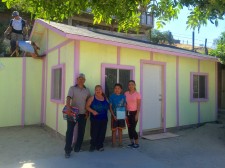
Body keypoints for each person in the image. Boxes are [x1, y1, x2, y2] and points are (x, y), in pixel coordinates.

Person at [64, 73, 91, 158]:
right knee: (69, 132)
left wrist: (88, 112)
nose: (81, 80)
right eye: (79, 78)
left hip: (83, 114)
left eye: (83, 78)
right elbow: (68, 98)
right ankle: (67, 150)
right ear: (77, 79)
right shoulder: (72, 88)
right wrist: (68, 108)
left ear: (84, 80)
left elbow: (88, 101)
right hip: (72, 113)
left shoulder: (87, 90)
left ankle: (77, 148)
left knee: (81, 132)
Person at [86, 85, 109, 152]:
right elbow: (87, 106)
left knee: (102, 133)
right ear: (95, 91)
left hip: (104, 119)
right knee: (94, 133)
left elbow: (109, 106)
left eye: (99, 89)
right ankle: (92, 145)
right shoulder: (92, 98)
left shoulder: (105, 98)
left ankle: (100, 145)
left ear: (102, 91)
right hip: (95, 119)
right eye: (97, 90)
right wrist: (93, 111)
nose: (98, 91)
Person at [124, 80, 141, 148]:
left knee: (133, 129)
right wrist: (125, 114)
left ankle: (137, 143)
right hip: (128, 113)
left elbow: (139, 105)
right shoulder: (126, 93)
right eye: (129, 85)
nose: (130, 86)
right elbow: (125, 104)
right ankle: (132, 143)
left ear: (134, 85)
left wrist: (137, 114)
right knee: (129, 128)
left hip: (134, 113)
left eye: (132, 84)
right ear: (128, 86)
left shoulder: (137, 94)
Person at [109, 83, 126, 147]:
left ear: (121, 90)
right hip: (114, 116)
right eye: (115, 88)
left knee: (120, 129)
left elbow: (125, 106)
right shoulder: (112, 96)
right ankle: (113, 143)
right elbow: (110, 107)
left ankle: (120, 143)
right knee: (114, 130)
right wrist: (113, 115)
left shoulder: (123, 96)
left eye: (118, 88)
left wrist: (125, 115)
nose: (117, 89)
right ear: (114, 89)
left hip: (121, 115)